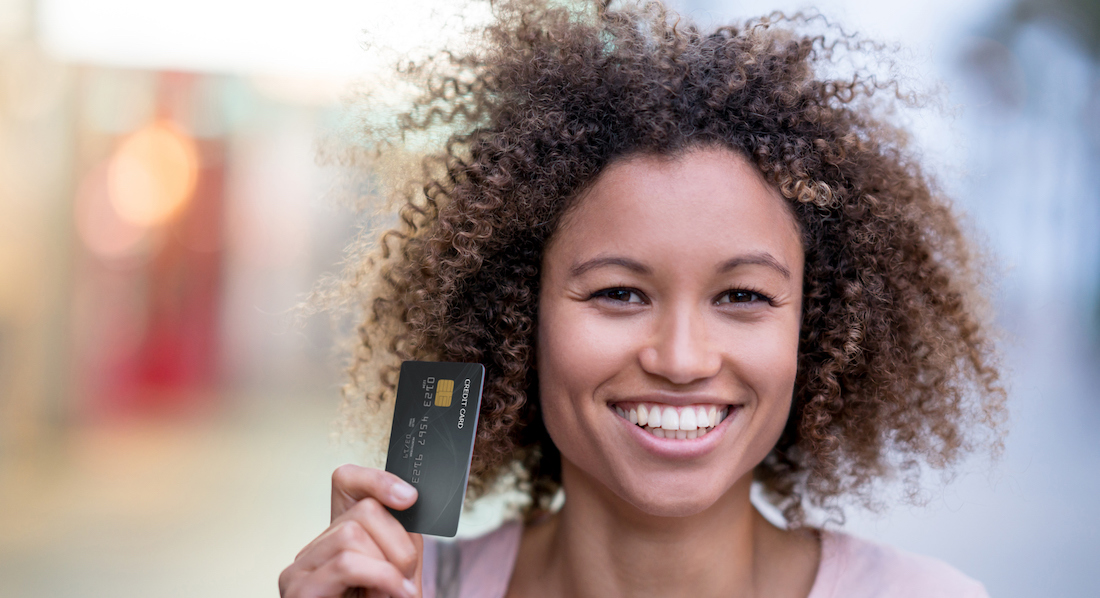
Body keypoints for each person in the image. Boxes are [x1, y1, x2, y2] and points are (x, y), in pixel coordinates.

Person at [279, 1, 1005, 596]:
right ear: (512, 322)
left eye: (744, 295)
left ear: (815, 334)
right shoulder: (391, 589)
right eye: (620, 292)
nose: (682, 359)